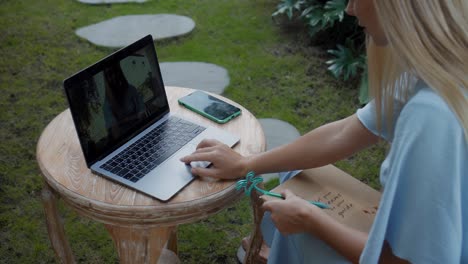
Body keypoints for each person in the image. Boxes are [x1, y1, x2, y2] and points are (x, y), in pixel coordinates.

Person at [181, 0, 467, 263]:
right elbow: (343, 133)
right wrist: (245, 164)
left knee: (297, 215)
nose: (351, 9)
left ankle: (277, 249)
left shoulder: (429, 115)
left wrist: (311, 221)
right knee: (295, 175)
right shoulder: (437, 73)